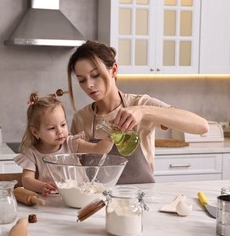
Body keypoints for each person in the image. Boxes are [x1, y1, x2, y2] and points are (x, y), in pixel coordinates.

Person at [67, 40, 209, 184]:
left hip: (141, 198)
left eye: (95, 75)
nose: (89, 85)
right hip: (97, 199)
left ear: (114, 70)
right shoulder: (81, 118)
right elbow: (73, 167)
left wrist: (144, 111)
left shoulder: (139, 104)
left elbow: (201, 126)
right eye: (82, 80)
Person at [14, 92, 114, 196]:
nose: (60, 131)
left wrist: (111, 138)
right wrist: (42, 186)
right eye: (52, 128)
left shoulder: (72, 143)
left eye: (63, 124)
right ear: (35, 132)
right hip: (52, 201)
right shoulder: (32, 153)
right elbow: (26, 180)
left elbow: (98, 149)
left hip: (80, 197)